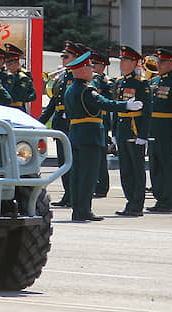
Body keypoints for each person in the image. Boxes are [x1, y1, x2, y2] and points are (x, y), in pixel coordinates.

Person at [63, 51, 142, 221]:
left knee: (77, 175)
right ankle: (84, 210)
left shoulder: (70, 89)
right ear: (83, 69)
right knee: (88, 176)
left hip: (75, 135)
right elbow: (104, 103)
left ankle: (78, 209)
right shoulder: (86, 90)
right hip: (89, 136)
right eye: (89, 67)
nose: (92, 70)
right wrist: (126, 105)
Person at [39, 40, 86, 207]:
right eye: (62, 57)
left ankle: (74, 195)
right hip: (60, 124)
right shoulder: (63, 77)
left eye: (66, 56)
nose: (63, 60)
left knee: (72, 162)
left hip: (71, 124)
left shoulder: (78, 76)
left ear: (76, 58)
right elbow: (53, 103)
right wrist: (39, 123)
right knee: (63, 163)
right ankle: (68, 194)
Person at [112, 46, 151, 216]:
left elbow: (147, 111)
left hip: (135, 131)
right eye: (121, 59)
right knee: (125, 170)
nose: (122, 63)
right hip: (122, 130)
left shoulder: (141, 83)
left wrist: (143, 135)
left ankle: (137, 204)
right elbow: (116, 108)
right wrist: (113, 132)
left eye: (125, 60)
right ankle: (130, 202)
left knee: (136, 168)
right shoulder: (119, 82)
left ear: (134, 63)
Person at [146, 48, 172, 212]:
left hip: (168, 131)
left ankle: (170, 201)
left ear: (171, 64)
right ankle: (160, 198)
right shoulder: (155, 82)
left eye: (162, 62)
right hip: (154, 130)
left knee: (169, 166)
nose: (159, 64)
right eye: (159, 61)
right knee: (155, 165)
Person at [90, 51, 115, 198]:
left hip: (102, 121)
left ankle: (102, 186)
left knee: (100, 155)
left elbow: (107, 100)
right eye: (92, 63)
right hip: (92, 120)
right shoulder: (93, 80)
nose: (93, 66)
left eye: (96, 64)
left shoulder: (106, 82)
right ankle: (95, 184)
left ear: (103, 66)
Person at [4, 43, 36, 111]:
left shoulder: (22, 77)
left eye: (10, 64)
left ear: (17, 63)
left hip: (16, 108)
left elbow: (32, 95)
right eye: (6, 63)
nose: (8, 66)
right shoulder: (4, 75)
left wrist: (22, 98)